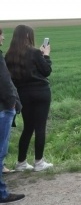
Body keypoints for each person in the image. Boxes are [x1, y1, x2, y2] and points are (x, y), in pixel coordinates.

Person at [5, 25, 54, 172]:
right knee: (40, 127)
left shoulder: (9, 55)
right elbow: (46, 71)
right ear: (27, 36)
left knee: (28, 128)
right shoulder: (34, 52)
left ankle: (21, 163)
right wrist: (45, 55)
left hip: (22, 94)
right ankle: (39, 163)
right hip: (41, 93)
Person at [0, 30, 23, 202]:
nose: (3, 37)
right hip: (2, 109)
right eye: (0, 34)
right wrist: (12, 103)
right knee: (1, 151)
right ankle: (1, 193)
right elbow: (4, 82)